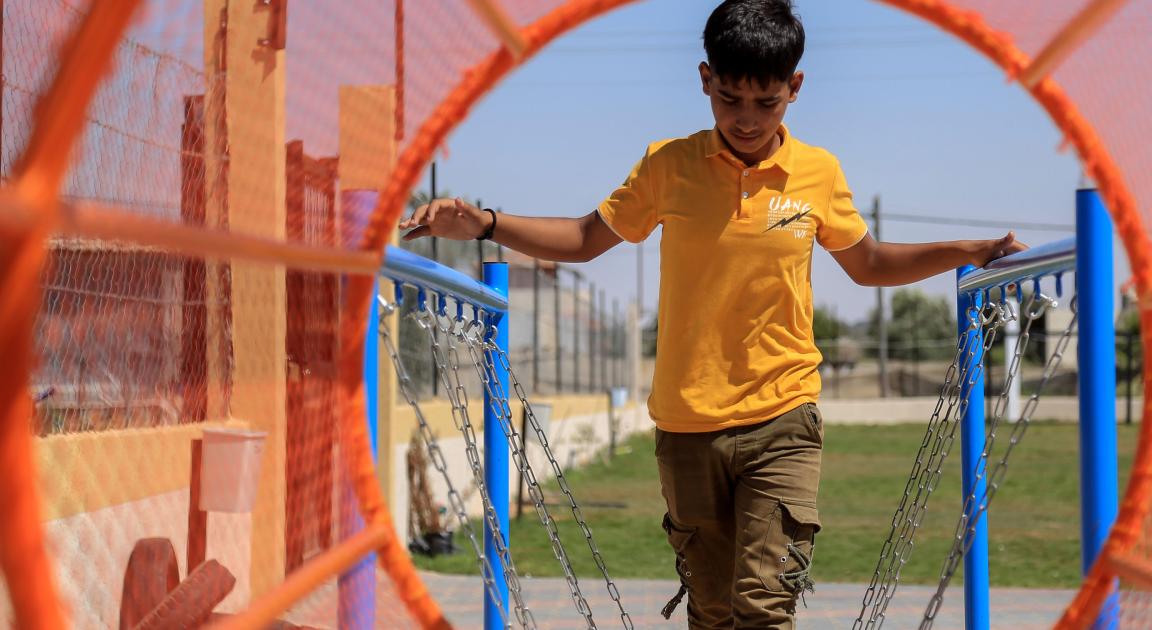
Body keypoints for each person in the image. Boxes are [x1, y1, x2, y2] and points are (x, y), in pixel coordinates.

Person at [401, 1, 1025, 626]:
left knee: (763, 605)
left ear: (795, 88)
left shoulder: (817, 173)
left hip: (783, 415)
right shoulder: (669, 166)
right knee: (714, 609)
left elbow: (871, 263)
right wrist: (484, 223)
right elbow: (587, 238)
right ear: (705, 80)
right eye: (729, 99)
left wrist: (971, 250)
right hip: (687, 425)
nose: (746, 119)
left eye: (766, 102)